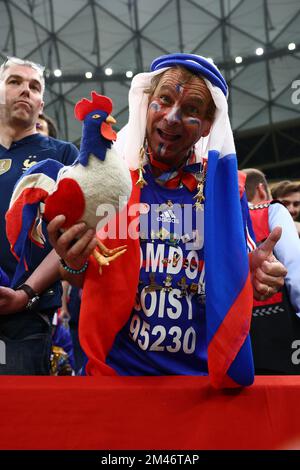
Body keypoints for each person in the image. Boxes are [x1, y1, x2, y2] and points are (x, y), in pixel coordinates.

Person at [48, 53, 286, 388]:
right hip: (119, 379)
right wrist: (71, 263)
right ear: (147, 102)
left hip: (199, 385)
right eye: (164, 100)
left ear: (206, 125)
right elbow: (83, 274)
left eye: (191, 110)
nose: (172, 117)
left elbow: (244, 265)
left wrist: (258, 271)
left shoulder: (226, 193)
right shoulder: (110, 181)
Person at [0, 56, 78, 375]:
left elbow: (72, 240)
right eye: (14, 82)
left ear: (41, 104)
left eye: (34, 87)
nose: (25, 91)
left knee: (19, 420)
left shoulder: (63, 156)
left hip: (26, 320)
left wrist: (25, 293)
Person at [244, 168, 300, 374]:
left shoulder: (214, 219)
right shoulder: (272, 211)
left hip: (232, 345)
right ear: (261, 189)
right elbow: (297, 277)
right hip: (282, 341)